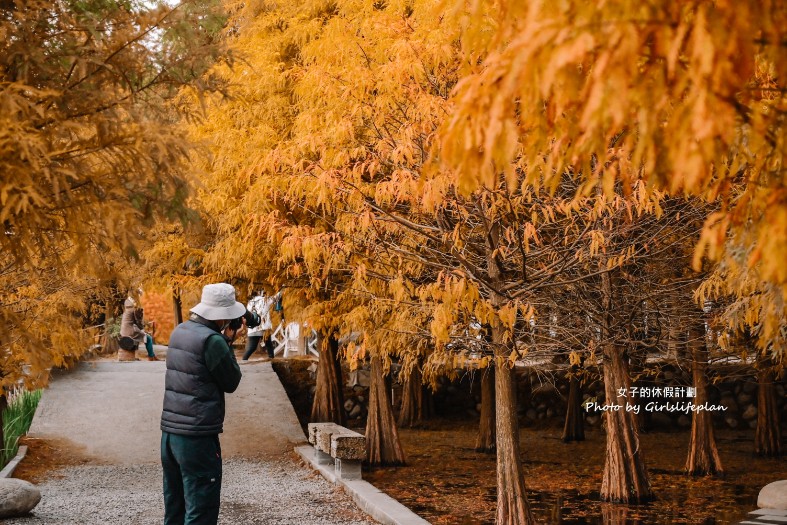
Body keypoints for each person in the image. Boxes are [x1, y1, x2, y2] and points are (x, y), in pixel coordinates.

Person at [160, 282, 245, 525]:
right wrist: (228, 342)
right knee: (201, 510)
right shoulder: (213, 341)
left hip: (170, 435)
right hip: (196, 438)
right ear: (224, 316)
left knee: (175, 508)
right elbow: (232, 381)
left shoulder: (180, 331)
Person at [242, 290, 281, 361]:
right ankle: (272, 360)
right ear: (260, 293)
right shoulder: (265, 300)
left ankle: (243, 360)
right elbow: (276, 297)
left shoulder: (249, 303)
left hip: (252, 329)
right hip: (264, 328)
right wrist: (282, 289)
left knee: (251, 348)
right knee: (269, 346)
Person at [120, 294, 158, 361]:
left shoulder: (126, 312)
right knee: (148, 338)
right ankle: (151, 356)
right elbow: (138, 322)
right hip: (130, 332)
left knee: (144, 336)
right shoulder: (134, 310)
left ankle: (151, 356)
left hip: (123, 332)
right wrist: (142, 329)